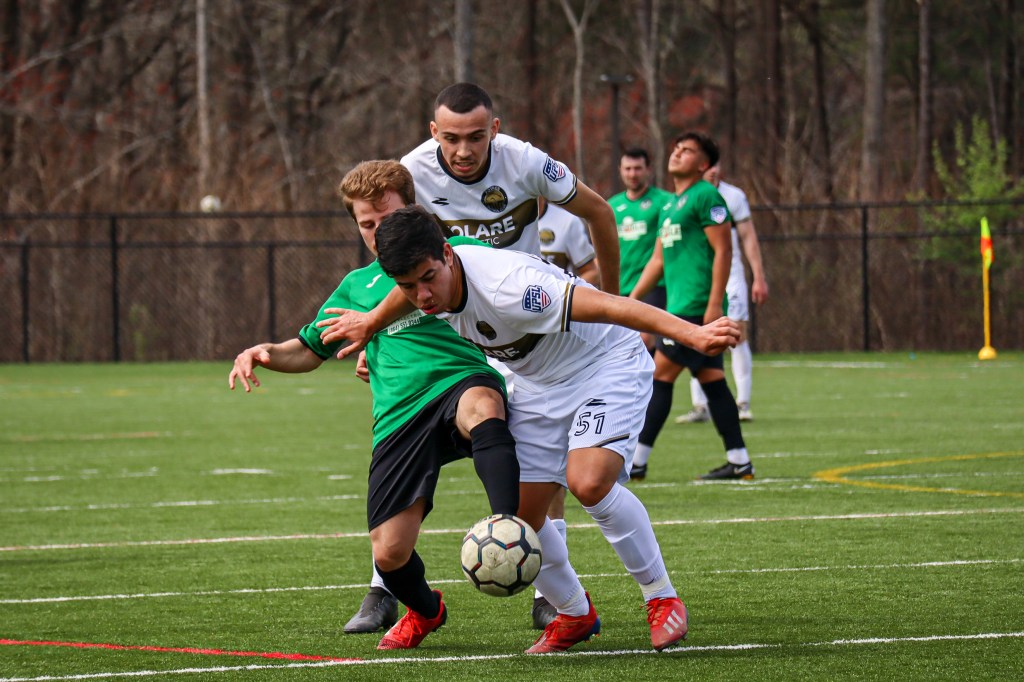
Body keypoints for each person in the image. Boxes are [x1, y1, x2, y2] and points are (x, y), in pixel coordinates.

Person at [318, 205, 740, 653]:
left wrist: (691, 334)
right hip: (537, 384)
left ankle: (661, 597)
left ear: (448, 254)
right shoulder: (425, 284)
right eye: (408, 286)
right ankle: (574, 613)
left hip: (602, 366)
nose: (421, 295)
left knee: (588, 482)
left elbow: (611, 305)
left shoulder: (511, 287)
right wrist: (372, 327)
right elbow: (406, 293)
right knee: (519, 519)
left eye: (428, 278)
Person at [228, 161, 522, 651]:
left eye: (387, 218)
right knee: (389, 553)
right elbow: (310, 350)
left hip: (458, 382)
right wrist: (265, 353)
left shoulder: (452, 255)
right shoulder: (356, 286)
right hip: (398, 417)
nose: (377, 231)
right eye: (367, 223)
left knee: (483, 406)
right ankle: (426, 610)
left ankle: (507, 527)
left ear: (412, 209)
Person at [401, 82, 623, 629]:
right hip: (451, 324)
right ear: (433, 133)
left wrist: (614, 300)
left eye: (476, 136)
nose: (463, 150)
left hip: (523, 325)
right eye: (451, 138)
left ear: (495, 130)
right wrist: (379, 334)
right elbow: (394, 255)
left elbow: (599, 212)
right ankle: (387, 582)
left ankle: (551, 594)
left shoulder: (526, 162)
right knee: (408, 436)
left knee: (536, 461)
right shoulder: (412, 174)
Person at [629, 133, 756, 481]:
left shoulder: (706, 195)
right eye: (676, 148)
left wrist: (714, 304)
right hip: (679, 306)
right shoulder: (671, 205)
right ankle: (739, 460)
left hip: (696, 307)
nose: (677, 153)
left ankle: (636, 462)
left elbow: (724, 250)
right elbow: (657, 260)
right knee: (712, 381)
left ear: (703, 165)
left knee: (660, 375)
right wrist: (632, 298)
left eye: (687, 151)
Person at [676, 163, 768, 424]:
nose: (713, 170)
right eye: (707, 165)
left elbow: (748, 237)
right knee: (696, 334)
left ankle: (743, 403)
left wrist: (759, 276)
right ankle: (700, 406)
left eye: (715, 163)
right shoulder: (684, 198)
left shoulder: (733, 196)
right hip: (697, 279)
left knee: (736, 334)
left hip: (731, 276)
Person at [607, 148, 675, 351]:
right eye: (628, 168)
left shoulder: (665, 202)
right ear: (620, 170)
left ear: (648, 170)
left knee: (645, 339)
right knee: (623, 343)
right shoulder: (611, 206)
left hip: (654, 286)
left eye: (638, 168)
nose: (632, 174)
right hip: (621, 285)